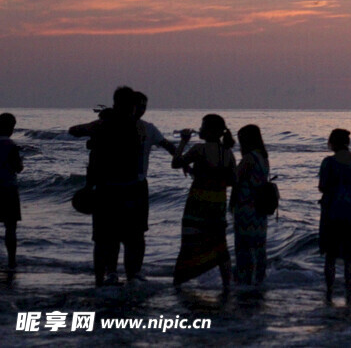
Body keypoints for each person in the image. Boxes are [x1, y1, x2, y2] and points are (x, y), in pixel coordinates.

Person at [69, 86, 147, 286]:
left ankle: (102, 278)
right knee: (133, 238)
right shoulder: (137, 126)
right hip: (131, 188)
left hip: (107, 188)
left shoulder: (103, 124)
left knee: (104, 238)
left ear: (115, 103)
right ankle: (132, 277)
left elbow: (74, 131)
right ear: (133, 106)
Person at [172, 114, 235, 290]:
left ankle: (179, 281)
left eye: (203, 126)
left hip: (198, 203)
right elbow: (232, 180)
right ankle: (227, 284)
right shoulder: (227, 153)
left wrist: (184, 141)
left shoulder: (199, 149)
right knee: (219, 243)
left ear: (211, 131)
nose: (200, 129)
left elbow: (176, 163)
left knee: (191, 241)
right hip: (218, 203)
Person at [318, 128, 351, 305]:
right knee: (350, 257)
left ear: (332, 142)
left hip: (332, 212)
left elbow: (322, 186)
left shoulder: (329, 162)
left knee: (330, 255)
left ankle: (329, 292)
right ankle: (349, 294)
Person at [130, 91, 176, 280]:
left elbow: (167, 146)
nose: (141, 109)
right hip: (115, 183)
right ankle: (112, 272)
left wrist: (184, 161)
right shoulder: (112, 125)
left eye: (144, 106)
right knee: (115, 233)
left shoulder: (149, 129)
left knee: (139, 232)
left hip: (139, 184)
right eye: (138, 105)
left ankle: (136, 271)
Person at [232, 124, 269, 286]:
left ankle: (244, 281)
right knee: (259, 246)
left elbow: (234, 178)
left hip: (246, 206)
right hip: (260, 206)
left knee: (243, 246)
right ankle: (259, 280)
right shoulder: (263, 157)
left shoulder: (249, 158)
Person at [0, 113, 24, 270]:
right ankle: (11, 260)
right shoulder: (11, 145)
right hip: (8, 188)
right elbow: (18, 168)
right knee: (10, 227)